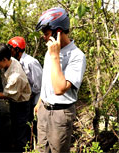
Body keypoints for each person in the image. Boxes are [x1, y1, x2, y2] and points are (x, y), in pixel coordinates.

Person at [34, 7, 86, 153]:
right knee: (42, 150)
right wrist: (39, 103)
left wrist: (55, 57)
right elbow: (46, 81)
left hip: (60, 114)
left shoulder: (77, 56)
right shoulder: (49, 51)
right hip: (44, 108)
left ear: (58, 31)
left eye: (46, 33)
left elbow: (59, 89)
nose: (44, 37)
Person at [8, 36, 43, 144]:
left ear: (17, 49)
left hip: (35, 100)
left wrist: (28, 95)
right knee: (25, 127)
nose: (9, 50)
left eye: (11, 48)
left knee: (35, 126)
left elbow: (39, 84)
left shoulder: (30, 62)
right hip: (26, 99)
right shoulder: (16, 62)